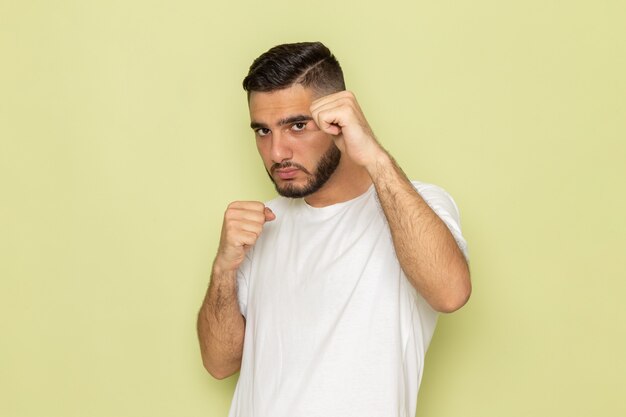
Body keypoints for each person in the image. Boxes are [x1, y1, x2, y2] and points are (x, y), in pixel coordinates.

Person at [197, 41, 471, 417]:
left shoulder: (414, 205)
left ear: (339, 119)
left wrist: (373, 155)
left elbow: (451, 293)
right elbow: (219, 363)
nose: (277, 152)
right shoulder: (261, 225)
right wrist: (223, 268)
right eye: (262, 131)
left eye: (297, 126)